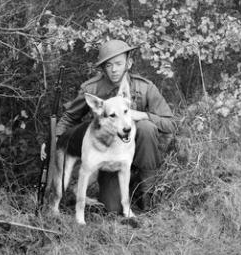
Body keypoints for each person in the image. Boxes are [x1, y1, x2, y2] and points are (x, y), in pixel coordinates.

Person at [54, 39, 176, 212]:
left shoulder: (145, 87)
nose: (114, 69)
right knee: (112, 209)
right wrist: (54, 138)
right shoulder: (93, 89)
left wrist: (142, 115)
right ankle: (120, 187)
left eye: (119, 63)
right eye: (108, 65)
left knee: (145, 127)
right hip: (109, 157)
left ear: (129, 63)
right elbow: (70, 117)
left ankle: (146, 191)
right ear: (103, 68)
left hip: (140, 153)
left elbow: (170, 124)